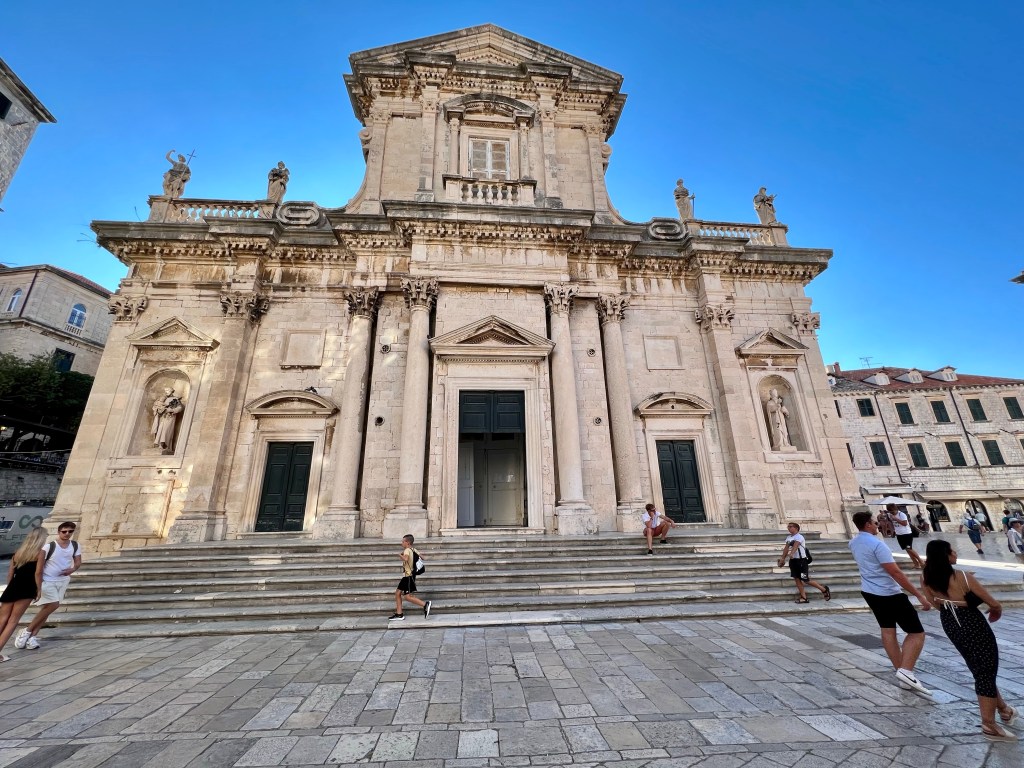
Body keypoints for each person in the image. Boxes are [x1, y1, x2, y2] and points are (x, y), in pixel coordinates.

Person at [920, 540, 1019, 741]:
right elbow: (992, 603)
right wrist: (995, 610)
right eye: (952, 551)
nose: (955, 553)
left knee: (978, 667)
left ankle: (1003, 709)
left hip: (950, 621)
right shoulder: (963, 577)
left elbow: (935, 604)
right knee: (986, 670)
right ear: (945, 555)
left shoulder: (926, 578)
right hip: (972, 622)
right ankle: (989, 724)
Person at [848, 510, 932, 694]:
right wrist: (919, 595)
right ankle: (906, 670)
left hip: (869, 591)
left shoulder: (853, 542)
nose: (877, 525)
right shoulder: (877, 545)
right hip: (888, 592)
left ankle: (902, 673)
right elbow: (895, 572)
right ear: (868, 524)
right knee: (916, 632)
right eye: (874, 523)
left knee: (888, 630)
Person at [14, 522, 81, 651]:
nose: (67, 534)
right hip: (47, 580)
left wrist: (72, 569)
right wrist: (38, 587)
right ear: (59, 532)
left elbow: (78, 562)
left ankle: (32, 637)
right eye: (64, 531)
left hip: (63, 581)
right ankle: (27, 630)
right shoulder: (48, 547)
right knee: (54, 605)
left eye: (70, 531)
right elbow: (38, 570)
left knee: (47, 609)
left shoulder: (75, 545)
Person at [0, 527, 47, 662]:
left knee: (2, 619)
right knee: (13, 621)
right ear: (41, 538)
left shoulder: (18, 552)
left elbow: (10, 574)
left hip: (13, 587)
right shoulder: (40, 553)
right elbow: (38, 573)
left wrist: (10, 587)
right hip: (27, 588)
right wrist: (39, 590)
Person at [777, 522, 830, 604]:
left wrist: (791, 554)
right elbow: (786, 548)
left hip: (801, 561)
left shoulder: (799, 537)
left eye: (790, 526)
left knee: (805, 580)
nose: (789, 528)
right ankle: (803, 597)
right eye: (788, 526)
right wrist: (782, 558)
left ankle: (824, 589)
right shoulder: (788, 538)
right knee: (797, 579)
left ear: (796, 528)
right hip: (793, 562)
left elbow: (796, 546)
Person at [389, 534, 430, 622]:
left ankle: (425, 604)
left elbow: (406, 559)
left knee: (407, 596)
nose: (401, 543)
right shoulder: (413, 549)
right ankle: (399, 614)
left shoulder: (407, 550)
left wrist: (400, 555)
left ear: (407, 542)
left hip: (408, 576)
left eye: (403, 541)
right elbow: (423, 557)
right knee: (398, 593)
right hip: (408, 576)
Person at [887, 503, 924, 569]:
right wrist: (892, 531)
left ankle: (921, 561)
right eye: (890, 511)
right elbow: (890, 523)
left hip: (906, 533)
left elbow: (905, 523)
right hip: (899, 534)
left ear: (896, 509)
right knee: (907, 550)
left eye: (892, 511)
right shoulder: (890, 515)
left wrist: (896, 519)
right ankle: (916, 564)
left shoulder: (901, 514)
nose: (891, 512)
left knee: (909, 548)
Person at [152, 388, 185, 452]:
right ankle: (159, 445)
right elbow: (158, 406)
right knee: (160, 430)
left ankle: (166, 446)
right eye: (165, 391)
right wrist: (158, 409)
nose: (166, 392)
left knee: (166, 430)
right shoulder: (164, 399)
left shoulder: (175, 399)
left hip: (169, 417)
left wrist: (171, 410)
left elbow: (180, 408)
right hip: (162, 417)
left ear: (171, 391)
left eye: (167, 390)